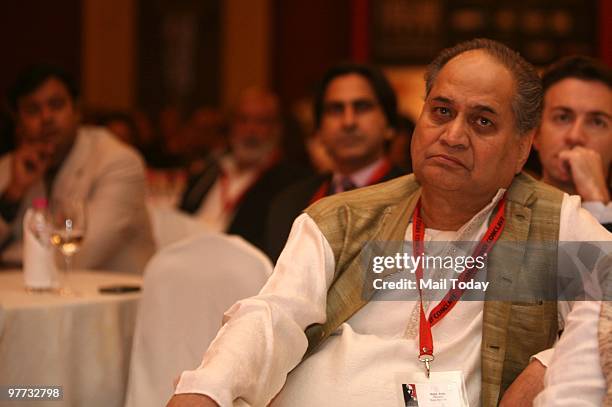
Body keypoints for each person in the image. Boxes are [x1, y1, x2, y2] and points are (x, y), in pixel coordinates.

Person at [168, 39, 611, 406]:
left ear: (521, 148)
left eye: (482, 121)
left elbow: (607, 307)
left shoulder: (551, 226)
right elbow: (274, 316)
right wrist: (207, 389)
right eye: (441, 111)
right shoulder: (343, 218)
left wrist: (544, 369)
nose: (453, 136)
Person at [0, 65, 155, 273]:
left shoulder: (118, 162)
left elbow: (79, 252)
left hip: (115, 298)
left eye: (56, 105)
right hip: (33, 296)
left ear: (77, 110)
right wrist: (13, 194)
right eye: (32, 109)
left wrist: (6, 258)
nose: (46, 118)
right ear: (18, 121)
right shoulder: (13, 165)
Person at [265, 64, 405, 262]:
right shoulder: (288, 205)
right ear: (319, 131)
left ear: (389, 125)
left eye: (362, 107)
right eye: (335, 109)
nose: (348, 121)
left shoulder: (415, 198)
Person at [178, 88, 305, 251]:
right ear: (231, 125)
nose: (250, 130)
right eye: (243, 120)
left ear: (277, 129)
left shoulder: (289, 184)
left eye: (261, 122)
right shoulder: (209, 171)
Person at [534, 56, 612, 229]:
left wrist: (597, 201)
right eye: (563, 117)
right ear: (536, 134)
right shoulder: (497, 213)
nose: (576, 136)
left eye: (597, 122)